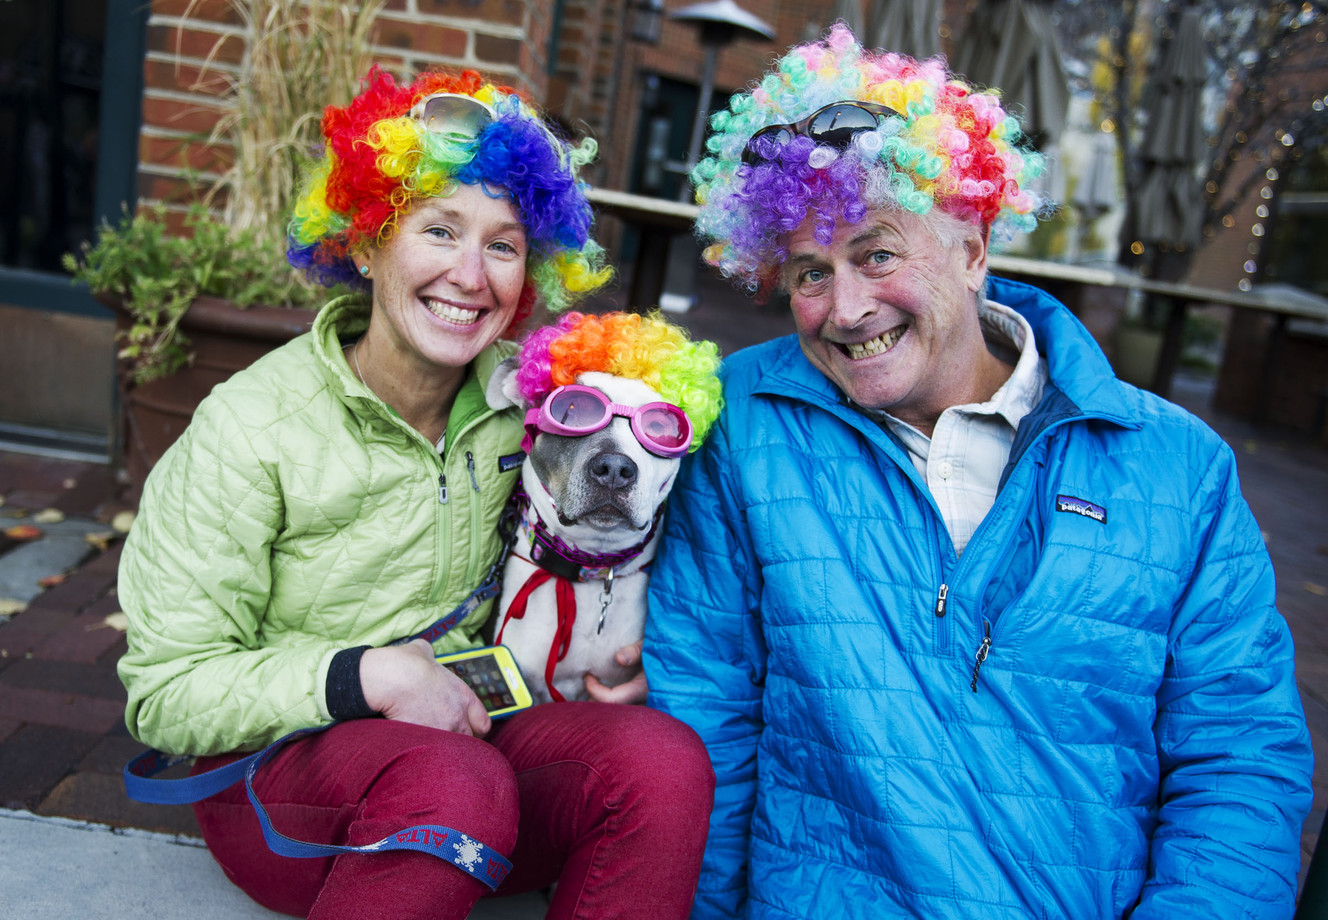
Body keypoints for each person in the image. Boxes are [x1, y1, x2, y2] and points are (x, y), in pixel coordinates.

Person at [644, 25, 1313, 920]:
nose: (846, 309)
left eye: (878, 253)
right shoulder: (748, 423)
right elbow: (708, 720)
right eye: (809, 272)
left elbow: (1239, 759)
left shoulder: (1177, 466)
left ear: (972, 245)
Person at [117, 67, 714, 920]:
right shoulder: (250, 426)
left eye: (503, 246)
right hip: (288, 782)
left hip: (478, 732)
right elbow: (167, 692)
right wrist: (367, 678)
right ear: (365, 243)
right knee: (452, 779)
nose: (471, 275)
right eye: (439, 231)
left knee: (660, 760)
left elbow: (631, 508)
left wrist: (607, 657)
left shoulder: (534, 411)